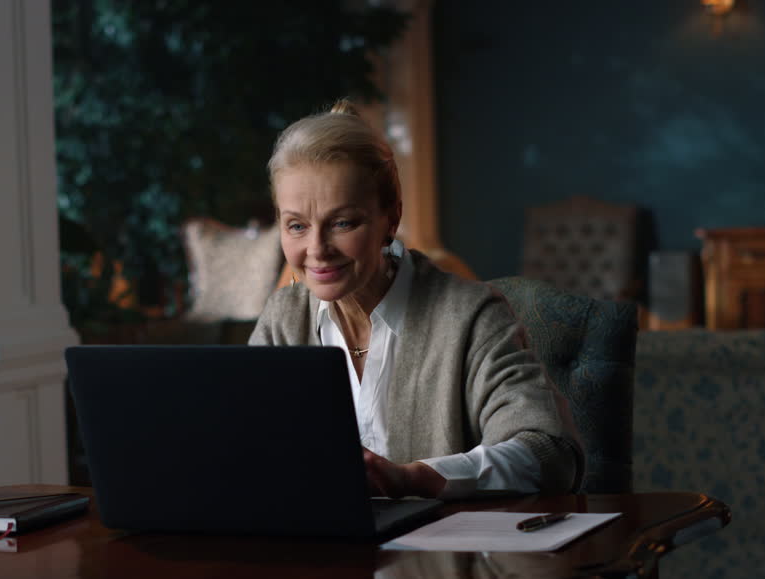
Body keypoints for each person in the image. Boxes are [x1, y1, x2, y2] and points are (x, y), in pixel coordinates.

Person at [249, 100, 583, 499]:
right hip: (318, 553)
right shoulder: (282, 319)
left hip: (446, 558)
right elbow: (240, 445)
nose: (317, 249)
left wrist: (417, 479)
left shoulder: (469, 315)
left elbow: (550, 455)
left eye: (342, 223)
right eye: (297, 226)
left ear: (391, 218)